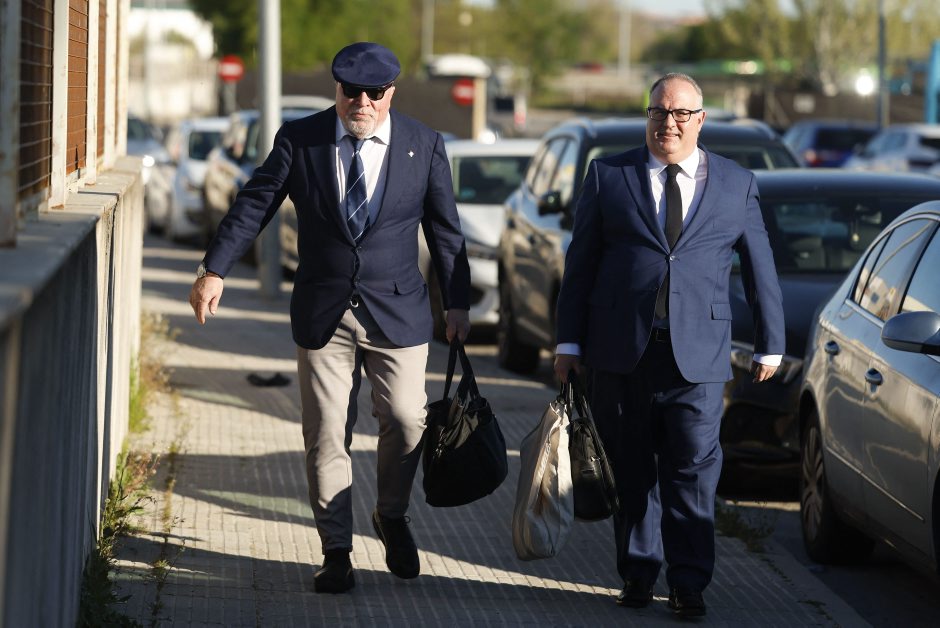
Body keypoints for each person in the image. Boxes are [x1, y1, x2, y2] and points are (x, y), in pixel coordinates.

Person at [189, 42, 471, 594]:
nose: (361, 102)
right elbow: (255, 204)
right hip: (324, 311)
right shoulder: (302, 139)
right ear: (337, 90)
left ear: (391, 93)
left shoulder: (424, 144)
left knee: (407, 419)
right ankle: (336, 550)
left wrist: (457, 303)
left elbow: (445, 230)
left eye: (374, 93)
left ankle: (391, 514)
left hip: (398, 311)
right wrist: (214, 269)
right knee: (325, 433)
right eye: (351, 91)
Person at [553, 73, 784, 618]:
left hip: (698, 359)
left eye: (681, 114)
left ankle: (688, 583)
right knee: (631, 469)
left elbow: (760, 267)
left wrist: (770, 343)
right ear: (648, 117)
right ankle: (637, 573)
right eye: (659, 112)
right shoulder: (609, 176)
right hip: (621, 353)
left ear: (700, 121)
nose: (669, 123)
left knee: (692, 473)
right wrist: (568, 342)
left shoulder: (736, 183)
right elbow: (580, 264)